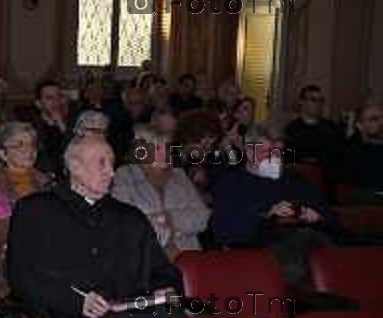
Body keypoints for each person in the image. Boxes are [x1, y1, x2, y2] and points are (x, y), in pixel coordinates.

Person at [7, 136, 182, 318]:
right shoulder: (35, 211)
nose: (111, 172)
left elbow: (162, 272)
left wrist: (165, 288)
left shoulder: (130, 217)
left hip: (131, 316)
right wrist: (77, 301)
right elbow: (22, 276)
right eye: (102, 163)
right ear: (75, 167)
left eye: (112, 164)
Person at [211, 122, 340, 286]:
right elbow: (224, 233)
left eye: (278, 152)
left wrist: (318, 218)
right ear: (250, 152)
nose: (274, 157)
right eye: (266, 152)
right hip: (262, 254)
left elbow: (334, 222)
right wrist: (267, 216)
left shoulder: (297, 182)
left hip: (310, 248)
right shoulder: (231, 184)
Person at [0, 122, 51, 296]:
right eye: (19, 145)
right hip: (13, 261)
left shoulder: (49, 184)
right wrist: (21, 218)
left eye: (32, 144)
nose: (29, 150)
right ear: (3, 153)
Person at [112, 125, 210, 257]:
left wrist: (167, 218)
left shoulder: (179, 176)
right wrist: (175, 230)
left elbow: (202, 218)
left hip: (189, 258)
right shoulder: (125, 176)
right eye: (157, 148)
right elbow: (129, 223)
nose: (165, 153)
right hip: (148, 259)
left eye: (166, 147)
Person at [343, 103, 383, 203]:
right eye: (374, 119)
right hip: (366, 201)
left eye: (382, 118)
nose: (381, 122)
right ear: (360, 125)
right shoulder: (353, 151)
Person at [32, 79, 70, 178]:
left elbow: (77, 150)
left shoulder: (71, 124)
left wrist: (62, 125)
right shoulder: (31, 128)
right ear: (38, 104)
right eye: (49, 98)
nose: (56, 102)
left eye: (58, 97)